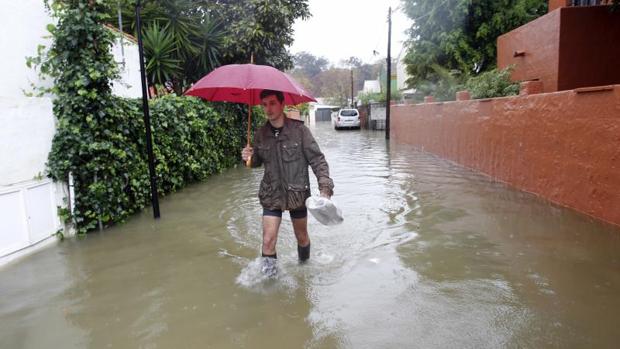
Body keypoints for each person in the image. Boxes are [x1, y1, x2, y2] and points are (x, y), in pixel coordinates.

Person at [241, 89, 334, 277]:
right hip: (271, 194)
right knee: (268, 240)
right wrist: (248, 158)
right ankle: (269, 282)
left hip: (297, 194)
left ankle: (304, 269)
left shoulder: (300, 131)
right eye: (264, 104)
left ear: (282, 104)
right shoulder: (260, 133)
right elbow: (257, 162)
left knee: (301, 237)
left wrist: (325, 189)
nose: (268, 109)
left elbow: (318, 160)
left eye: (273, 103)